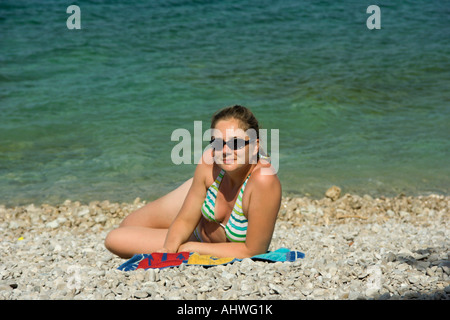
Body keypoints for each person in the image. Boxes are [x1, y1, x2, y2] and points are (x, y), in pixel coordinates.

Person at [105, 105, 281, 259]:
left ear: (256, 145)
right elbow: (185, 220)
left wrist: (191, 248)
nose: (226, 151)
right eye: (218, 143)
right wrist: (169, 248)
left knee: (116, 239)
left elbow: (253, 251)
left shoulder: (263, 181)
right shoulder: (210, 163)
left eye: (236, 143)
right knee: (127, 225)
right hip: (200, 202)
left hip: (195, 240)